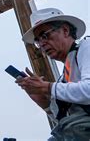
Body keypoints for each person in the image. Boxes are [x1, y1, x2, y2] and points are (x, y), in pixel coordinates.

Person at [17, 8, 90, 139]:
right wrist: (44, 103)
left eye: (45, 35)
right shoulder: (65, 77)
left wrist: (48, 87)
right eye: (38, 40)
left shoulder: (87, 47)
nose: (42, 43)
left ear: (65, 31)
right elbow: (66, 120)